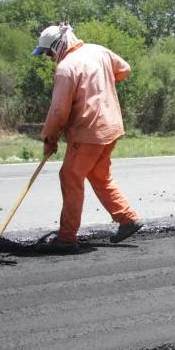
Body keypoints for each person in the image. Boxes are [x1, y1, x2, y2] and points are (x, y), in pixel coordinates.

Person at [33, 23, 143, 251]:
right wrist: (99, 85)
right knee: (99, 175)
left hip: (89, 132)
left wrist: (49, 138)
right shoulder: (98, 51)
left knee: (70, 177)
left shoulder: (66, 67)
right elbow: (125, 69)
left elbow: (58, 111)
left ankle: (66, 237)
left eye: (48, 52)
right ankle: (128, 218)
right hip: (111, 127)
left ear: (58, 45)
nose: (49, 58)